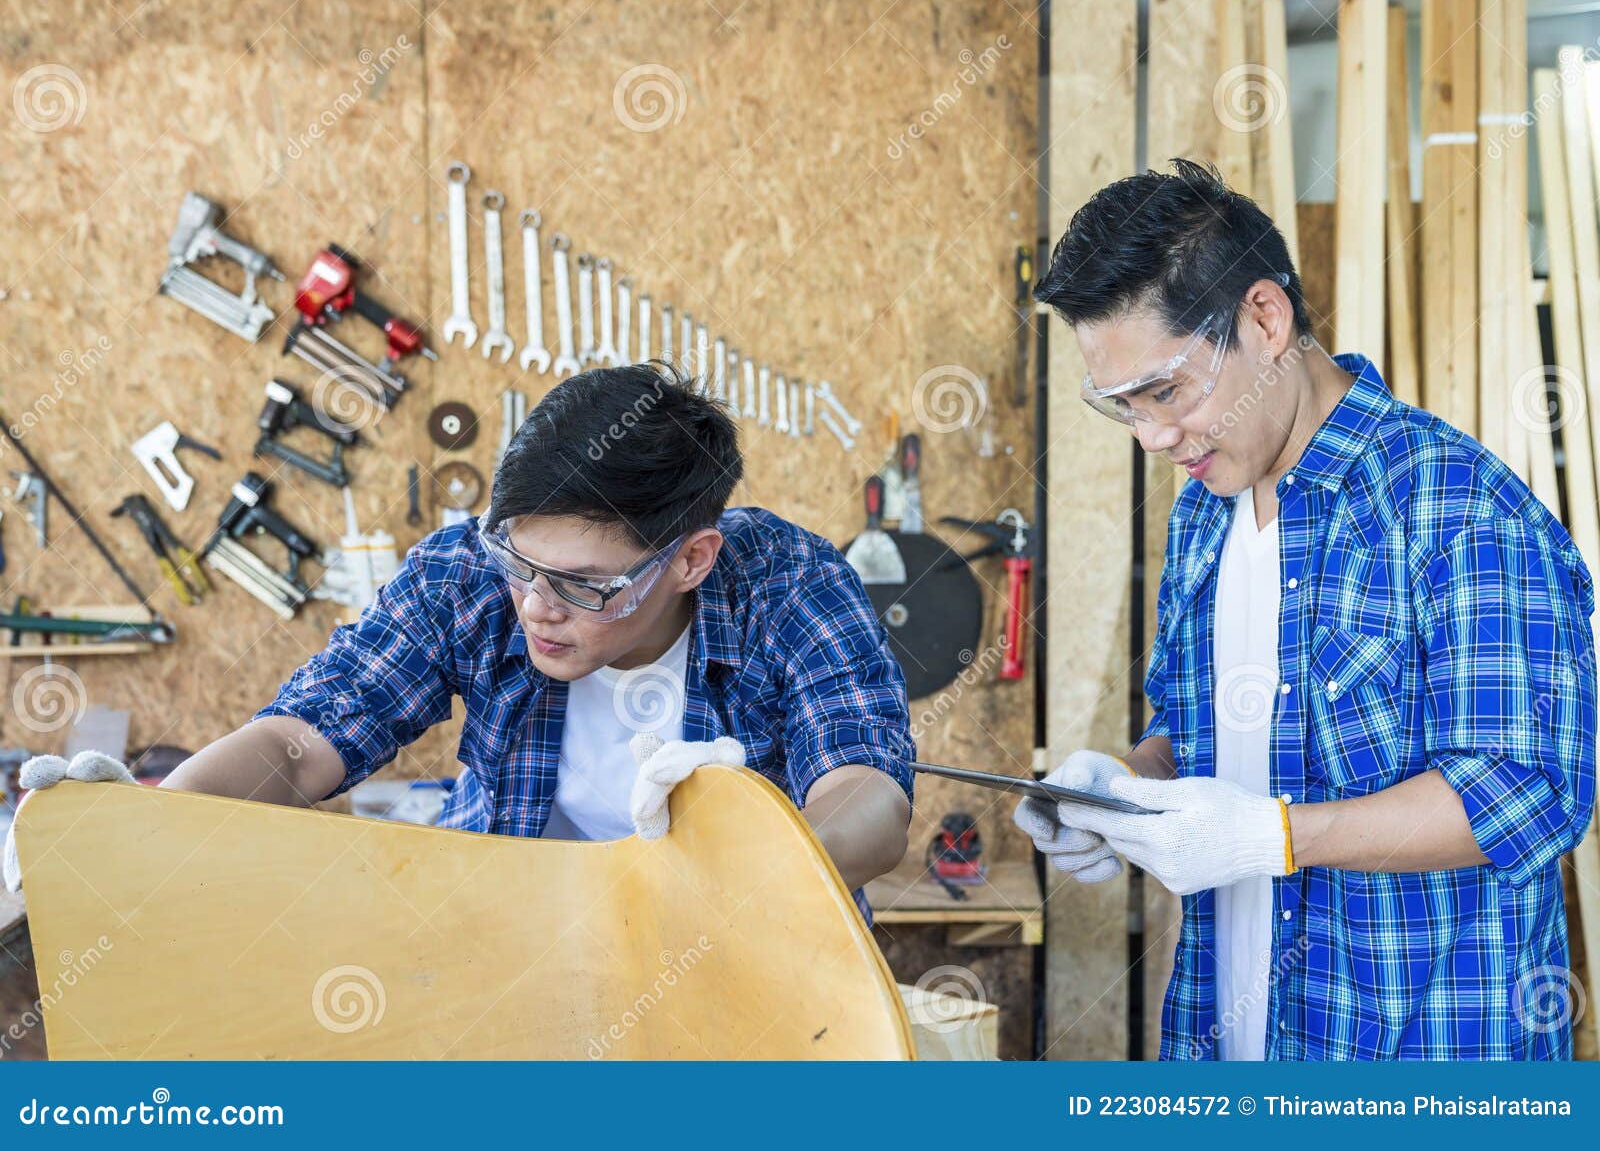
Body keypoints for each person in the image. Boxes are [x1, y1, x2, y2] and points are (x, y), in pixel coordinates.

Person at [1017, 159, 1597, 1060]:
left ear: (1264, 317)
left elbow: (1529, 791)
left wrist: (1275, 835)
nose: (1154, 438)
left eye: (1167, 392)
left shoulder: (1456, 505)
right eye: (1120, 406)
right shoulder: (1206, 511)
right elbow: (1196, 729)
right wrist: (1123, 790)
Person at [6, 363, 914, 915]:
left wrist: (742, 858)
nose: (536, 606)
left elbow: (869, 797)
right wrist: (153, 820)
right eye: (521, 563)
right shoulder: (466, 573)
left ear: (692, 559)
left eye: (583, 585)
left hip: (742, 939)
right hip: (511, 936)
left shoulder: (789, 581)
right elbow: (299, 741)